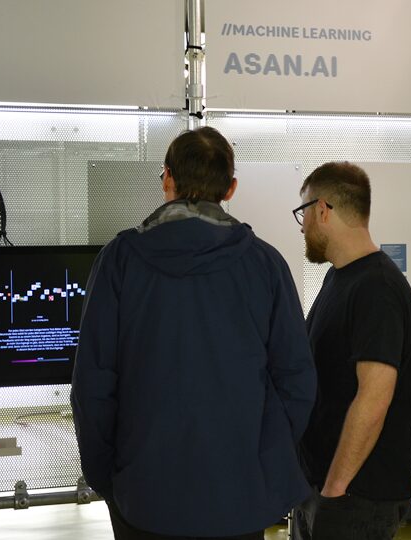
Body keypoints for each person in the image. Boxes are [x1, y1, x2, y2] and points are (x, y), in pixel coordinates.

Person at [71, 127, 316, 540]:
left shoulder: (119, 262)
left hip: (144, 497)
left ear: (167, 177)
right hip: (240, 496)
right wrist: (262, 458)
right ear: (231, 188)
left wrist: (108, 477)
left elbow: (92, 384)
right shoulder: (265, 265)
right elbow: (297, 381)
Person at [291, 162, 411, 540]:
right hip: (329, 490)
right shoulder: (341, 278)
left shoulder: (376, 288)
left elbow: (374, 396)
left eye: (304, 214)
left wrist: (335, 489)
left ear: (322, 210)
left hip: (356, 499)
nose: (303, 227)